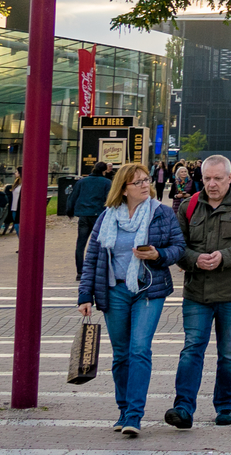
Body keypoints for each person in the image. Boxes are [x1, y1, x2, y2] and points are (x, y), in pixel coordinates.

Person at [76, 163, 182, 438]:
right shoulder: (107, 217)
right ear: (123, 189)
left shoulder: (162, 213)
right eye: (138, 182)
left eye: (146, 180)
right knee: (121, 354)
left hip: (148, 290)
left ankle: (134, 415)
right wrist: (85, 295)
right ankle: (123, 410)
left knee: (139, 350)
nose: (145, 185)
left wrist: (158, 255)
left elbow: (179, 248)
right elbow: (92, 258)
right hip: (115, 291)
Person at [162, 155, 231, 431]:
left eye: (217, 178)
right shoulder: (189, 205)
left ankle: (225, 406)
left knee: (229, 352)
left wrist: (225, 256)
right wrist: (195, 259)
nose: (211, 184)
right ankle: (183, 407)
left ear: (229, 178)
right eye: (207, 178)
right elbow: (177, 247)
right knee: (191, 349)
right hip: (198, 292)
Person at [73, 162, 113, 277]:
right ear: (104, 171)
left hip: (84, 215)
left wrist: (71, 210)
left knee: (81, 244)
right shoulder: (106, 182)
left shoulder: (82, 182)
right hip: (99, 215)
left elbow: (74, 196)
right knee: (99, 243)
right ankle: (97, 269)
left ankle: (80, 271)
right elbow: (109, 200)